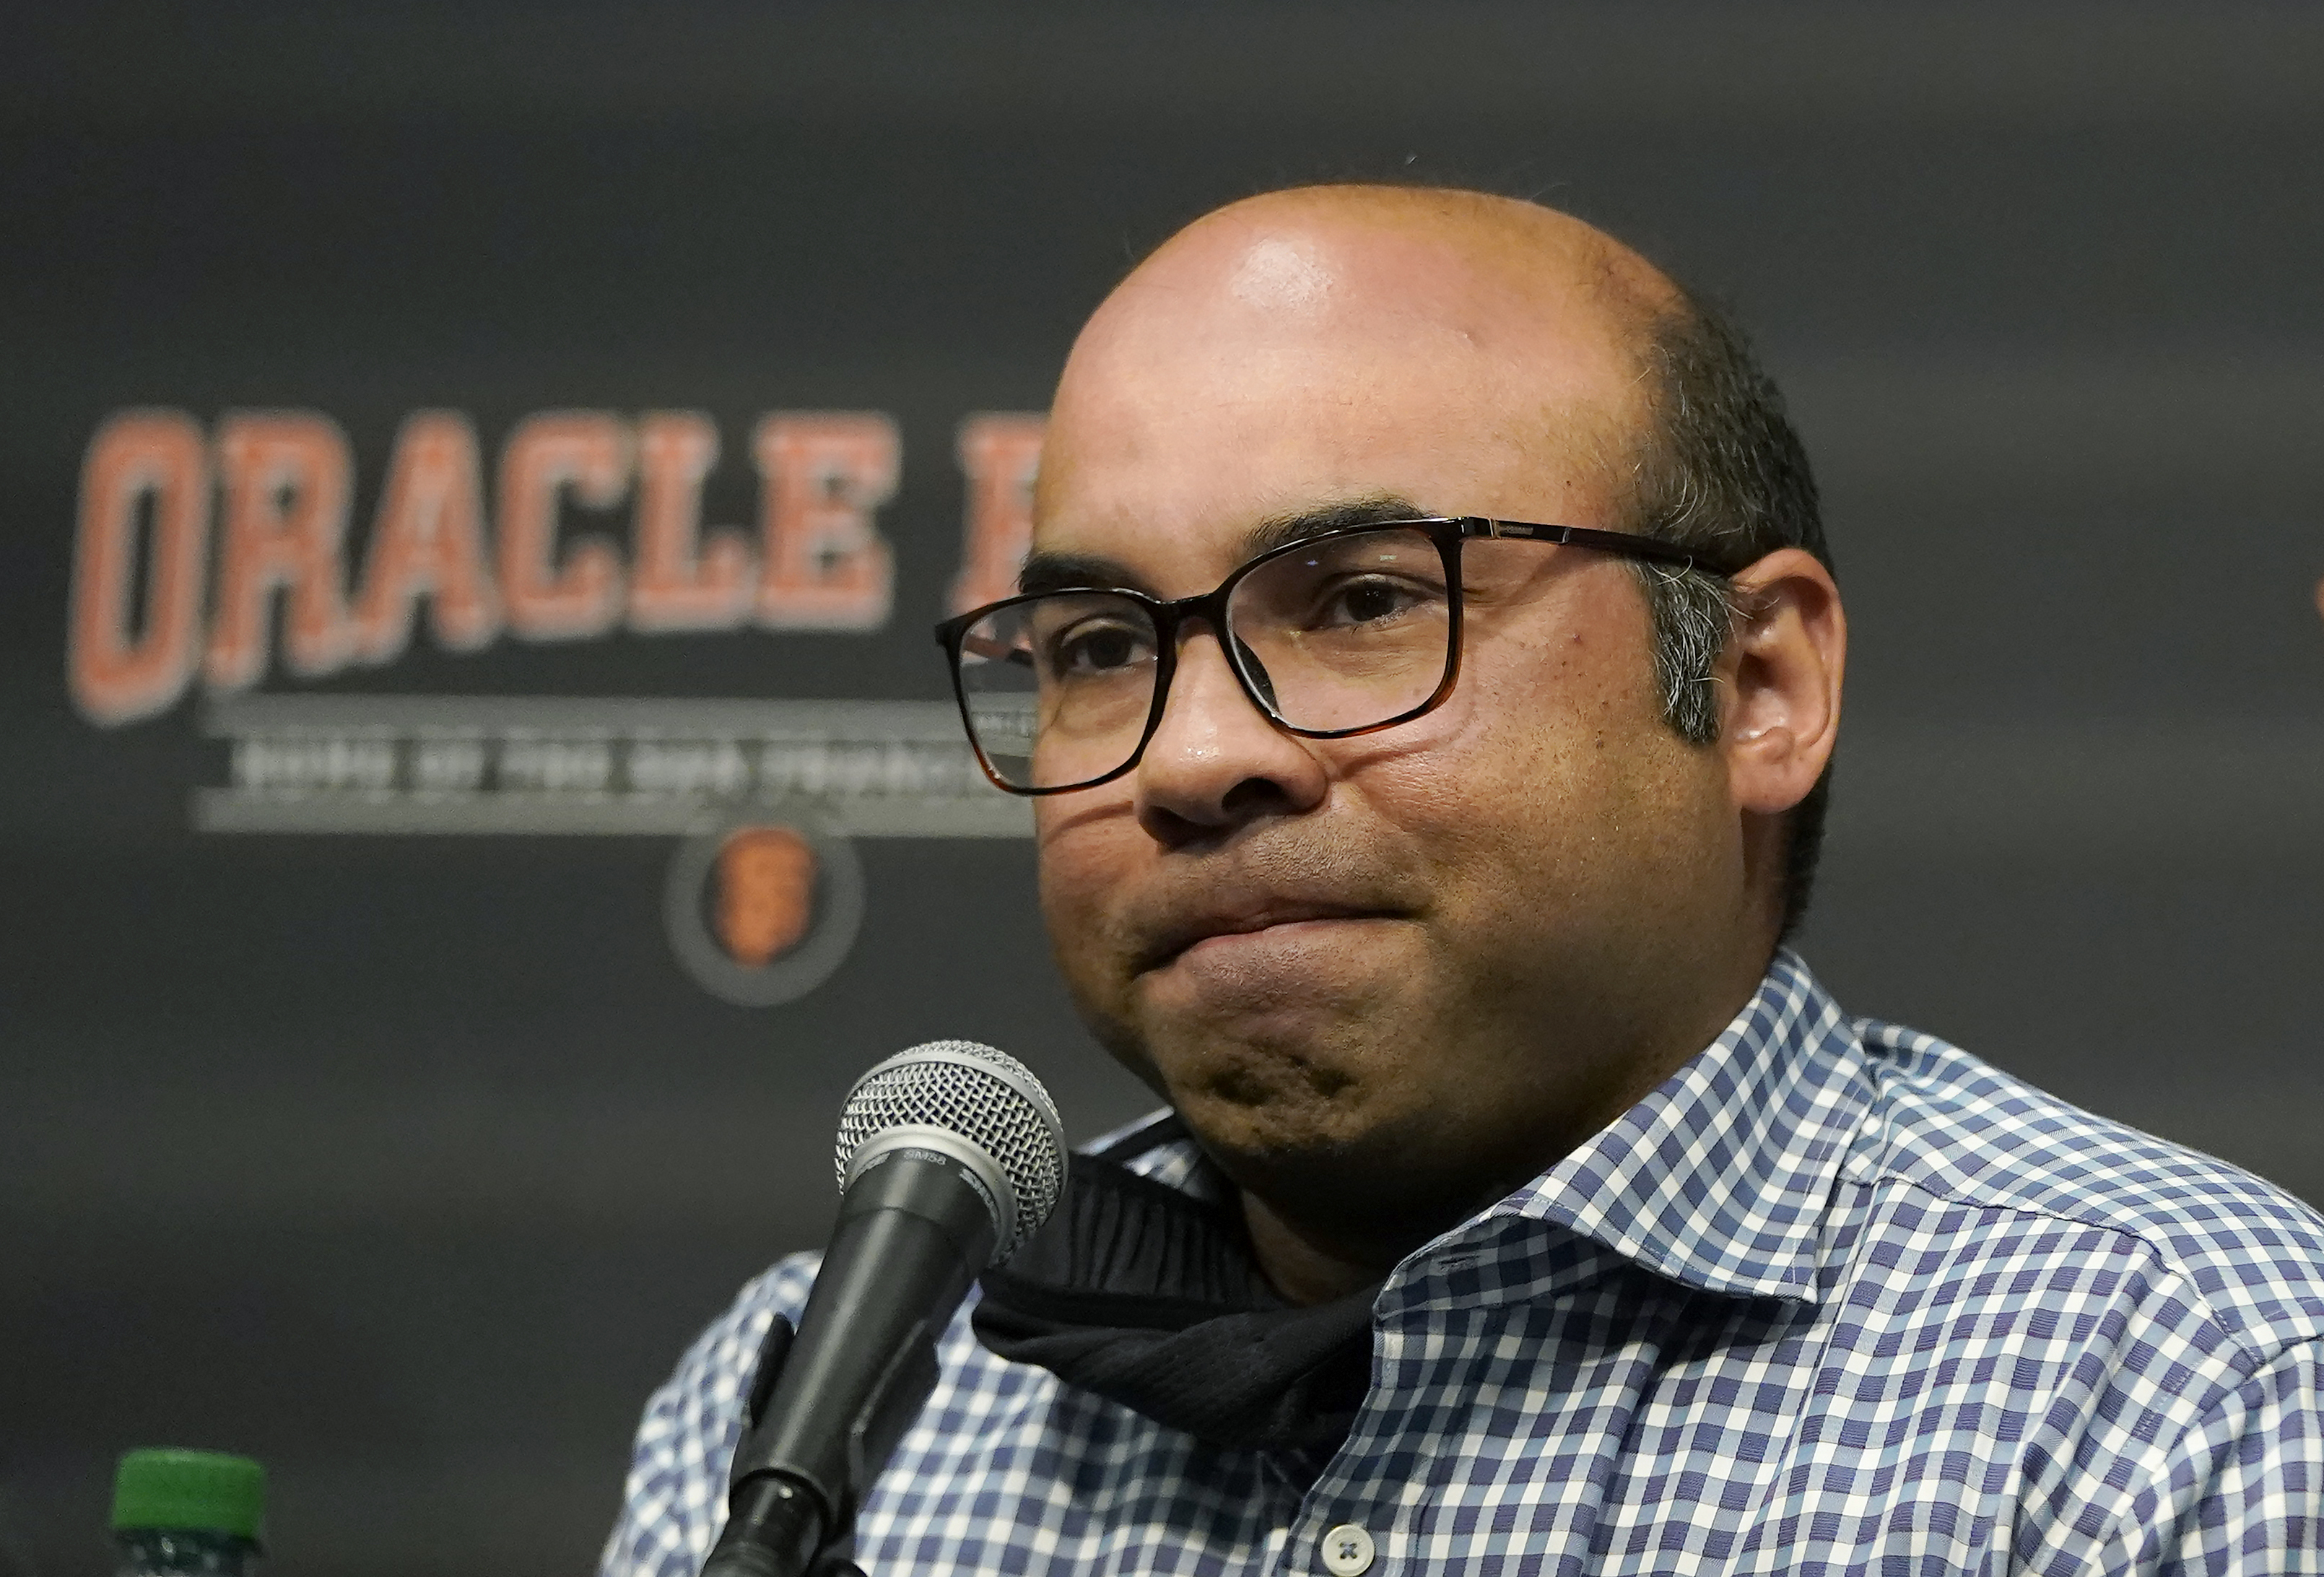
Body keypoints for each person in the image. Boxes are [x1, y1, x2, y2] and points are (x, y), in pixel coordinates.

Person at [602, 186, 2324, 1575]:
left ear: (1757, 685)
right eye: (1103, 644)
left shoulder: (2182, 1395)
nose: (1194, 758)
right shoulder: (829, 1410)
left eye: (1361, 603)